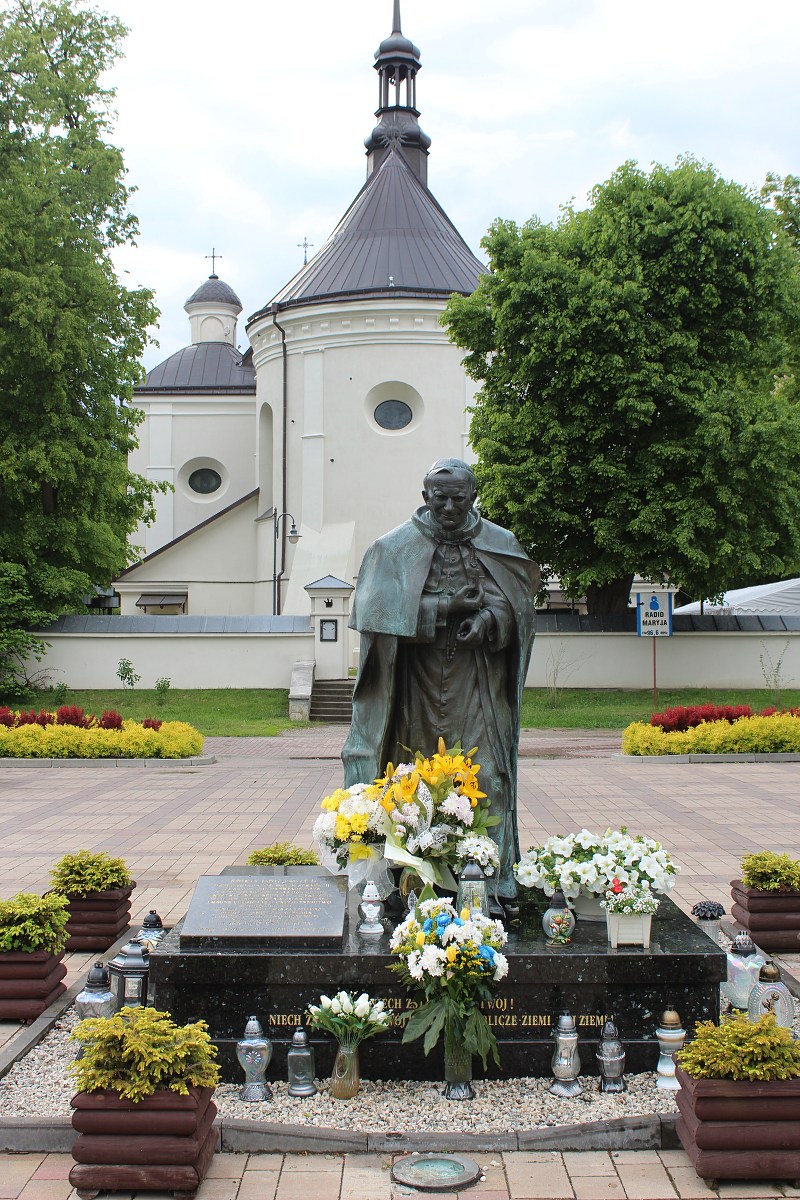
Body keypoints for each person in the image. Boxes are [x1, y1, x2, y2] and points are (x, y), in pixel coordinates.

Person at [342, 458, 539, 898]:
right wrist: (445, 607)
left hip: (477, 680)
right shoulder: (394, 548)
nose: (449, 508)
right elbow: (377, 616)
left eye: (458, 499)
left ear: (473, 498)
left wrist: (488, 620)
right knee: (410, 779)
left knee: (487, 776)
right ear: (425, 496)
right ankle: (410, 880)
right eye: (440, 498)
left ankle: (488, 882)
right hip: (415, 684)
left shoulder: (500, 543)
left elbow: (518, 607)